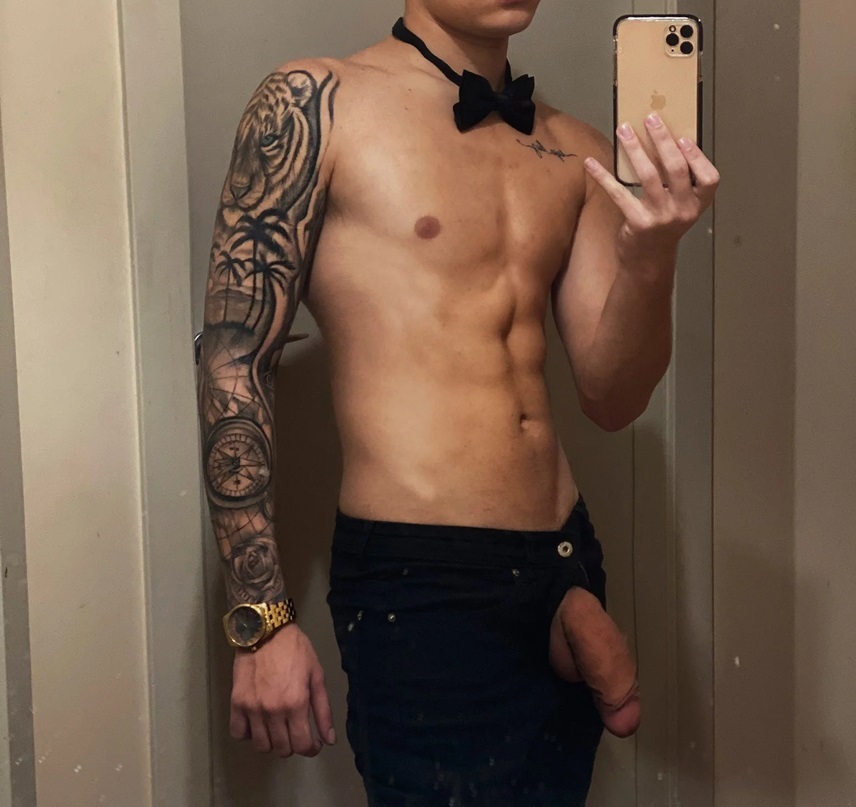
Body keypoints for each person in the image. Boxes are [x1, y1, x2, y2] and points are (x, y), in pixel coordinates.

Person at [195, 0, 719, 804]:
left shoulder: (577, 151)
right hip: (421, 577)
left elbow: (612, 397)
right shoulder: (318, 103)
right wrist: (259, 618)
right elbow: (234, 358)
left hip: (564, 552)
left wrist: (654, 254)